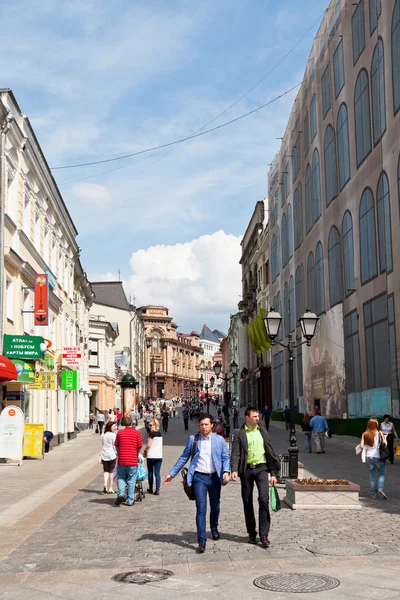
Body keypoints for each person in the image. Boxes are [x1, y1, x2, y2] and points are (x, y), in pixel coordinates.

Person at [165, 413, 230, 554]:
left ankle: (213, 527)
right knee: (201, 508)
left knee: (215, 505)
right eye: (202, 425)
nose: (204, 427)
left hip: (214, 478)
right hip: (199, 478)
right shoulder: (193, 440)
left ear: (212, 425)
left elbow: (226, 457)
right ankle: (202, 540)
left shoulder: (219, 440)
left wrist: (226, 471)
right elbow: (183, 458)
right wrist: (172, 474)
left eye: (206, 424)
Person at [231, 407, 280, 549]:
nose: (257, 418)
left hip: (262, 469)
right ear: (247, 418)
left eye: (258, 416)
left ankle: (264, 535)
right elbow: (235, 453)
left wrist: (274, 473)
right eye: (254, 416)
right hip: (246, 470)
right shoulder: (239, 433)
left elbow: (270, 451)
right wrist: (234, 469)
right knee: (247, 502)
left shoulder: (262, 431)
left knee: (264, 499)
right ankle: (252, 532)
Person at [114, 416, 143, 506]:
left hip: (122, 460)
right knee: (131, 480)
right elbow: (139, 446)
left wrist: (119, 454)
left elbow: (116, 445)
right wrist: (136, 453)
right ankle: (130, 500)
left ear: (123, 423)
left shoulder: (120, 433)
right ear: (132, 423)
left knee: (121, 478)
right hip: (132, 460)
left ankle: (121, 494)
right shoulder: (136, 433)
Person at [360, 418, 387, 499]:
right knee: (381, 473)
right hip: (378, 456)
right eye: (377, 423)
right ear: (375, 425)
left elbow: (361, 446)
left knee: (372, 475)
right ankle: (381, 489)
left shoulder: (365, 434)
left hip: (369, 457)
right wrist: (385, 438)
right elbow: (385, 444)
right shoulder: (379, 433)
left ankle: (374, 493)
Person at [143, 419, 163, 495]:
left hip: (151, 456)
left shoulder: (151, 434)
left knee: (150, 472)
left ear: (155, 425)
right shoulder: (160, 434)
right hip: (159, 456)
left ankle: (151, 488)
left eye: (151, 425)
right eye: (149, 425)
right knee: (157, 473)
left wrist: (145, 451)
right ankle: (157, 490)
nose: (149, 426)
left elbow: (148, 445)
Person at [101, 421, 117, 493]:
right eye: (114, 426)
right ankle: (110, 488)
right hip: (112, 455)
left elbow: (103, 444)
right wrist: (116, 453)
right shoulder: (113, 435)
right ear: (110, 427)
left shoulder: (103, 435)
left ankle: (105, 484)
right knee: (111, 471)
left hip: (104, 454)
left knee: (105, 471)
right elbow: (114, 445)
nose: (115, 427)